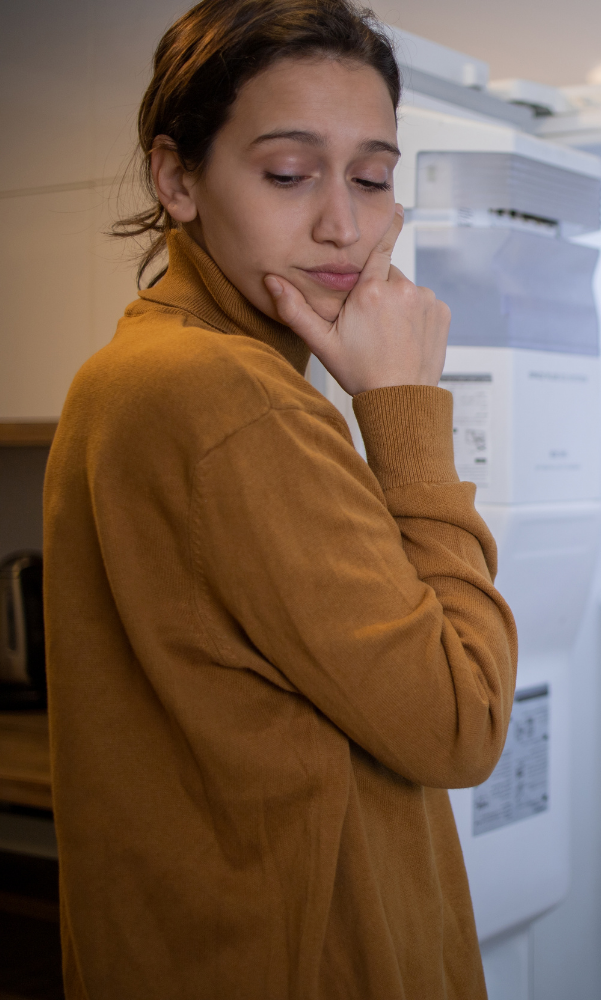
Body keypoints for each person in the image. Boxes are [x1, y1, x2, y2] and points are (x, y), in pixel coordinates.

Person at [41, 1, 517, 996]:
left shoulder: (139, 364)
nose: (345, 224)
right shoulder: (231, 397)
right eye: (289, 174)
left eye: (374, 177)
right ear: (178, 178)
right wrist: (406, 410)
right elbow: (462, 719)